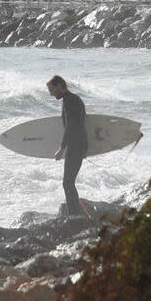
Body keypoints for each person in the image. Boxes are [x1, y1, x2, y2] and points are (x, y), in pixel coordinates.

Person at [46, 75, 88, 216]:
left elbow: (71, 128)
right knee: (69, 182)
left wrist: (61, 149)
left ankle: (74, 216)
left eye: (52, 89)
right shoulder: (71, 99)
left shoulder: (70, 102)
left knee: (68, 182)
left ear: (59, 86)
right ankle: (75, 214)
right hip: (78, 144)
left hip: (76, 145)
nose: (51, 93)